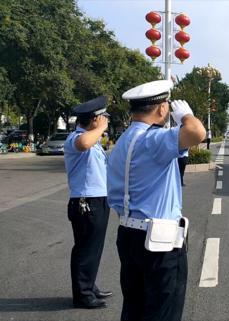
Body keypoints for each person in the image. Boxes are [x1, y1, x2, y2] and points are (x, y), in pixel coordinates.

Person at [107, 79, 206, 321]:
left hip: (128, 234)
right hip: (158, 243)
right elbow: (197, 133)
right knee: (163, 311)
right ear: (162, 109)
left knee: (134, 308)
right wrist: (186, 116)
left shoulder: (123, 141)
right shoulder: (154, 139)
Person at [64, 96, 113, 309]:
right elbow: (84, 143)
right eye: (103, 117)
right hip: (86, 202)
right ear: (95, 119)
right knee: (86, 250)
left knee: (94, 248)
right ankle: (83, 294)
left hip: (98, 199)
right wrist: (101, 129)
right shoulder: (77, 138)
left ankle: (89, 286)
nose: (106, 121)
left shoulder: (92, 140)